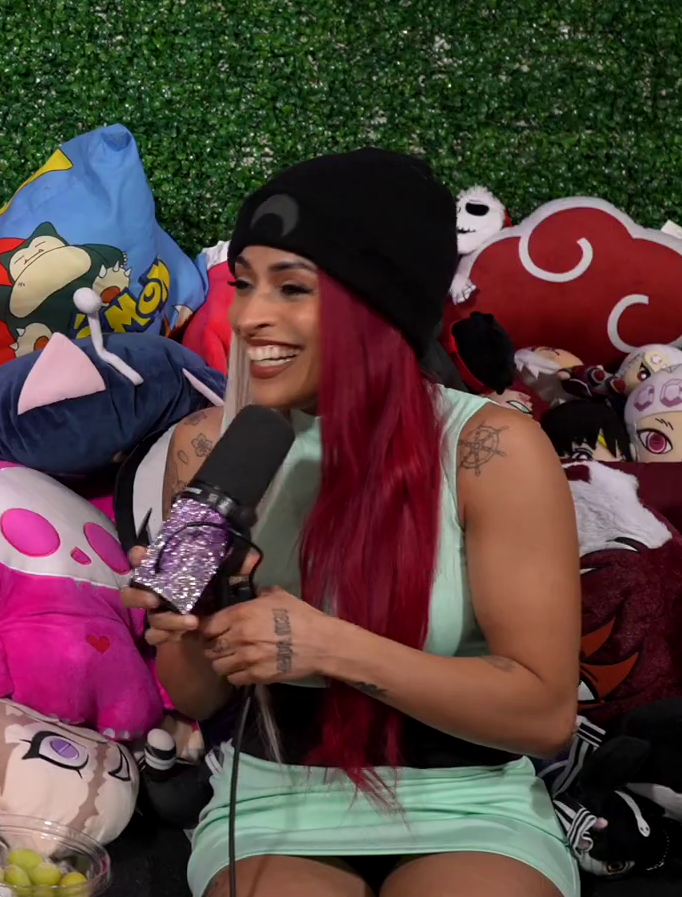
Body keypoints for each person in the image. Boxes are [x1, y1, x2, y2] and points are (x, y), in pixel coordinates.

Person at [125, 149, 582, 897]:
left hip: (470, 802)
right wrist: (197, 618)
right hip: (272, 801)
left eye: (291, 287)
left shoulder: (491, 449)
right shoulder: (210, 445)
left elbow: (543, 714)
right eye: (243, 284)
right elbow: (194, 697)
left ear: (379, 305)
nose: (247, 317)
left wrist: (328, 646)